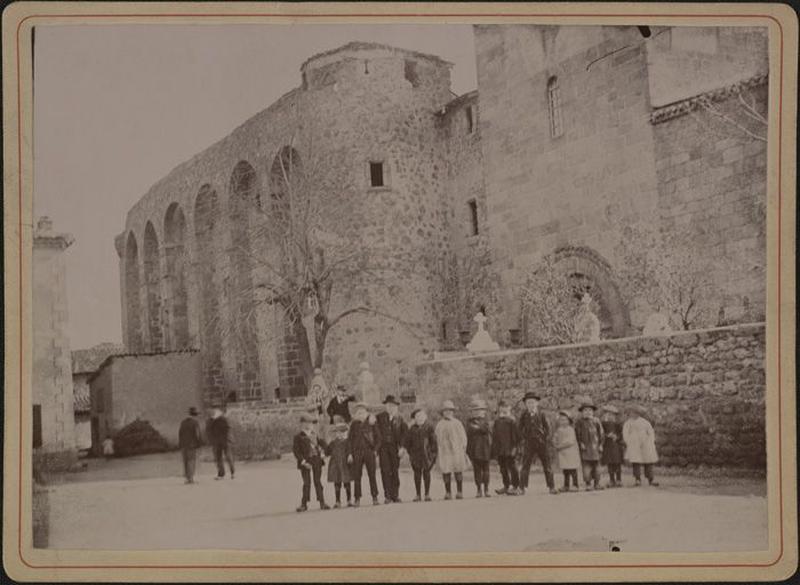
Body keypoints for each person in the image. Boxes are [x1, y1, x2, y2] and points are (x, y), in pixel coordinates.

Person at [518, 392, 558, 495]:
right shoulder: (524, 415)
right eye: (528, 403)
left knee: (547, 465)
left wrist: (545, 438)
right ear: (525, 404)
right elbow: (519, 428)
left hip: (541, 443)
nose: (530, 405)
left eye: (532, 402)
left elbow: (548, 428)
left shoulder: (542, 414)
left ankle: (551, 486)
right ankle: (522, 487)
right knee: (525, 465)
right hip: (529, 443)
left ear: (537, 403)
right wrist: (524, 438)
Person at [292, 412, 330, 512]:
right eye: (307, 423)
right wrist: (303, 462)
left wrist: (324, 452)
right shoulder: (298, 437)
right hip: (306, 461)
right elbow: (296, 451)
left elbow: (323, 444)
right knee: (306, 483)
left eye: (311, 423)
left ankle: (322, 502)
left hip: (316, 459)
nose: (310, 425)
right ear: (302, 424)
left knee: (318, 481)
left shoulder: (315, 435)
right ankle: (304, 504)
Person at [375, 395, 408, 503]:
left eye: (393, 406)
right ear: (386, 406)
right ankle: (387, 496)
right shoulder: (379, 417)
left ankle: (395, 495)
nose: (391, 408)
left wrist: (402, 447)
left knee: (395, 471)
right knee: (385, 471)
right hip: (383, 448)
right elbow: (375, 432)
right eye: (389, 405)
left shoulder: (400, 418)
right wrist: (376, 448)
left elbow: (404, 433)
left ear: (396, 407)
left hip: (395, 448)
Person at [435, 400, 469, 500]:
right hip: (445, 451)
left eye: (450, 410)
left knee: (458, 470)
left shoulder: (457, 423)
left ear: (453, 412)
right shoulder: (440, 425)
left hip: (456, 450)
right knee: (446, 470)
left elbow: (463, 437)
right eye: (446, 410)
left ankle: (459, 491)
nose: (448, 412)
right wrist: (438, 448)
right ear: (443, 412)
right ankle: (448, 492)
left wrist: (463, 447)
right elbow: (436, 437)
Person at [349, 402, 382, 506]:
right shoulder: (354, 425)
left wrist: (375, 450)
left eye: (363, 412)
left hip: (369, 452)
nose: (361, 414)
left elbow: (379, 438)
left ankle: (375, 497)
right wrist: (350, 453)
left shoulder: (372, 423)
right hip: (357, 453)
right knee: (357, 476)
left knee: (372, 475)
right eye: (358, 412)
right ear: (356, 414)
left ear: (367, 413)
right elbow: (350, 440)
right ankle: (357, 499)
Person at [404, 408, 437, 502]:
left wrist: (433, 454)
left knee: (427, 473)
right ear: (414, 419)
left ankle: (427, 494)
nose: (420, 418)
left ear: (425, 417)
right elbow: (407, 443)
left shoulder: (429, 427)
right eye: (417, 417)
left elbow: (433, 442)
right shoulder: (411, 429)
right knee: (417, 474)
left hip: (427, 455)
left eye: (422, 416)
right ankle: (418, 494)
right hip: (415, 456)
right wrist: (411, 453)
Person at [622, 405, 660, 487]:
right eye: (631, 413)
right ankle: (637, 479)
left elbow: (650, 432)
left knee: (648, 461)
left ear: (639, 414)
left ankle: (650, 479)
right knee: (636, 462)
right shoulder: (628, 423)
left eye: (635, 413)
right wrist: (628, 442)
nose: (633, 415)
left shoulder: (645, 422)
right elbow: (625, 433)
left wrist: (650, 441)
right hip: (634, 444)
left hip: (646, 444)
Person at [492, 400, 521, 495]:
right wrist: (495, 449)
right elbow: (495, 437)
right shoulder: (497, 422)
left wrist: (515, 448)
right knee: (503, 468)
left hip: (510, 449)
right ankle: (506, 485)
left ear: (509, 410)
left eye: (505, 412)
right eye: (501, 412)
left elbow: (517, 437)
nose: (502, 414)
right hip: (501, 450)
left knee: (513, 468)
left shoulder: (512, 421)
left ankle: (516, 486)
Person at [574, 400, 605, 491]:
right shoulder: (579, 422)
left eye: (590, 410)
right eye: (585, 410)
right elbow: (577, 434)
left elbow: (601, 434)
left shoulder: (596, 421)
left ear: (593, 412)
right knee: (586, 467)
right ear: (582, 412)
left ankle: (597, 483)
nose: (588, 412)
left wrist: (601, 444)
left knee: (597, 466)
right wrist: (580, 443)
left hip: (595, 447)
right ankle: (588, 483)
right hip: (585, 448)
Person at [466, 398, 492, 498]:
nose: (477, 412)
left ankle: (486, 488)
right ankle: (478, 489)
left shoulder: (486, 420)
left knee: (486, 470)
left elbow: (486, 429)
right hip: (474, 449)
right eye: (475, 410)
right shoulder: (469, 422)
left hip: (485, 449)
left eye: (479, 410)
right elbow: (470, 431)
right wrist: (478, 429)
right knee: (477, 470)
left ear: (484, 411)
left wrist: (478, 428)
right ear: (471, 412)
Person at [325, 422, 353, 508]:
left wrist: (350, 455)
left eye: (342, 432)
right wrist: (324, 453)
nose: (340, 434)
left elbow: (351, 451)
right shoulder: (333, 443)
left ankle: (349, 500)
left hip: (345, 465)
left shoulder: (348, 442)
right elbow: (327, 452)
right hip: (336, 465)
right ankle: (338, 501)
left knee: (347, 483)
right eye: (338, 432)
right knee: (337, 483)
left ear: (346, 433)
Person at [553, 410, 581, 492]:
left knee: (572, 469)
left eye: (565, 420)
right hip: (563, 454)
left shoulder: (570, 430)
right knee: (565, 470)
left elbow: (570, 441)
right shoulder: (558, 430)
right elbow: (555, 438)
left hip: (570, 452)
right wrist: (554, 443)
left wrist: (560, 446)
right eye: (561, 420)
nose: (563, 422)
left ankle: (575, 485)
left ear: (569, 421)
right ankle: (566, 485)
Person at [206, 408, 235, 480]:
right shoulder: (213, 420)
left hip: (221, 441)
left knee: (224, 457)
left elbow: (228, 429)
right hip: (220, 441)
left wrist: (228, 439)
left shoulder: (219, 419)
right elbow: (209, 431)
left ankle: (228, 473)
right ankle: (226, 473)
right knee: (222, 457)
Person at [600, 405, 625, 488]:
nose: (610, 416)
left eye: (612, 415)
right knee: (610, 463)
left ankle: (619, 480)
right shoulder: (603, 424)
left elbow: (621, 434)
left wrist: (616, 437)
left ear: (615, 416)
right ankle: (612, 480)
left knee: (617, 463)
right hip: (607, 446)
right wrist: (607, 435)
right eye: (608, 414)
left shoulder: (618, 424)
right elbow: (601, 433)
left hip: (616, 446)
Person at [178, 406, 203, 484]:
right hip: (192, 445)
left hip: (183, 445)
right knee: (191, 461)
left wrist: (180, 444)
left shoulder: (183, 422)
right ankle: (191, 478)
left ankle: (187, 478)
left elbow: (180, 433)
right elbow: (197, 434)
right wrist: (200, 444)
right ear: (195, 415)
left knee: (185, 461)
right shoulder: (195, 422)